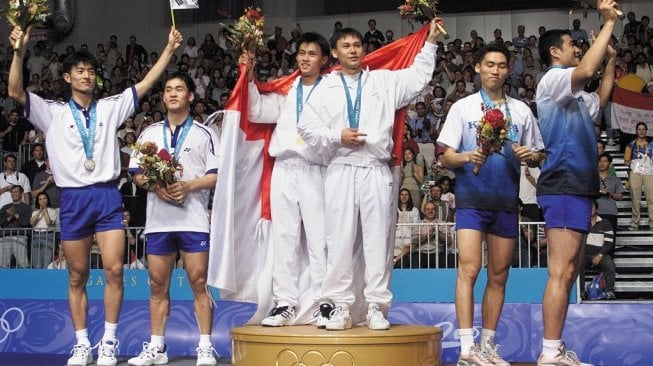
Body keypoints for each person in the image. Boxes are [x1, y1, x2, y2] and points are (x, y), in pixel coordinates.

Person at [8, 25, 183, 366]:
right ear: (69, 78)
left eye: (90, 71)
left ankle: (109, 342)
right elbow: (15, 91)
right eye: (80, 71)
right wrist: (18, 52)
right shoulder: (52, 111)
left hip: (106, 197)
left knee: (115, 270)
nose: (86, 75)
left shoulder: (110, 108)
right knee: (76, 275)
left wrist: (169, 50)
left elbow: (146, 84)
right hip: (72, 199)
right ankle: (81, 343)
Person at [298, 19, 442, 331]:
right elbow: (306, 128)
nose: (352, 50)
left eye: (357, 45)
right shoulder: (324, 88)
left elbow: (417, 77)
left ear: (364, 50)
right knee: (339, 241)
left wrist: (429, 42)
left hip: (376, 170)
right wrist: (338, 136)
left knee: (378, 240)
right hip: (340, 169)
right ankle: (339, 307)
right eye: (346, 46)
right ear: (334, 53)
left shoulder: (383, 81)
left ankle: (377, 305)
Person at [437, 43, 543, 366]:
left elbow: (538, 153)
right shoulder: (464, 108)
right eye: (489, 65)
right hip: (471, 200)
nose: (495, 70)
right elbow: (445, 157)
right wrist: (468, 156)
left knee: (499, 275)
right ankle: (467, 349)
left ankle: (487, 346)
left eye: (501, 65)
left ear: (508, 70)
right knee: (469, 269)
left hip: (505, 203)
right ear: (478, 69)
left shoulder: (522, 111)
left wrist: (530, 155)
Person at [535, 0, 618, 363]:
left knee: (569, 270)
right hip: (563, 183)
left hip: (580, 187)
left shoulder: (577, 98)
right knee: (560, 271)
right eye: (571, 44)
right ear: (555, 52)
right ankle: (549, 353)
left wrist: (611, 60)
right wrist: (608, 22)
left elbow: (600, 95)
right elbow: (586, 70)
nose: (577, 48)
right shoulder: (554, 79)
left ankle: (555, 349)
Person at [239, 32, 332, 328]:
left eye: (312, 53)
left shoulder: (332, 90)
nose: (305, 58)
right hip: (284, 168)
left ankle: (324, 302)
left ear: (324, 60)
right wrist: (248, 74)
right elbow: (255, 110)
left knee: (320, 238)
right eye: (301, 52)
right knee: (284, 238)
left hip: (316, 169)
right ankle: (284, 303)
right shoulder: (287, 90)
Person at [127, 72, 219, 366]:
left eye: (180, 89)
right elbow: (136, 174)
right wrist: (156, 187)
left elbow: (216, 175)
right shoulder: (149, 133)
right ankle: (157, 347)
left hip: (192, 219)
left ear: (191, 96)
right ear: (163, 96)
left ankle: (205, 346)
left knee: (198, 281)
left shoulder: (205, 134)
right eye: (168, 90)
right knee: (157, 284)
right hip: (159, 221)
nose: (173, 94)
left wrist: (188, 185)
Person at [580, 200, 616, 300]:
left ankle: (609, 291)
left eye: (592, 207)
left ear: (597, 209)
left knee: (609, 264)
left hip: (600, 253)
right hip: (584, 254)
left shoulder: (605, 223)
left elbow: (609, 242)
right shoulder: (581, 222)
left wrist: (600, 255)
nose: (590, 209)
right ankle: (581, 292)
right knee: (578, 264)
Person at [623, 122, 653, 231]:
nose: (641, 131)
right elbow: (626, 162)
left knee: (652, 199)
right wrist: (635, 163)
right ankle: (635, 223)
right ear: (636, 131)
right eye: (639, 129)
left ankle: (652, 222)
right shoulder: (630, 145)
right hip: (636, 173)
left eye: (643, 129)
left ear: (646, 131)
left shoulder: (651, 145)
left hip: (649, 173)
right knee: (635, 199)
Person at [0, 185, 33, 268]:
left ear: (21, 193)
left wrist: (15, 214)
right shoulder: (5, 207)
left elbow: (25, 222)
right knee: (3, 265)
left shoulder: (27, 207)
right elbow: (1, 222)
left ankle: (26, 280)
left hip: (20, 237)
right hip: (5, 238)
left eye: (16, 192)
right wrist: (10, 217)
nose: (13, 194)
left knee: (23, 264)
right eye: (12, 192)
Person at [30, 192, 58, 269]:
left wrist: (45, 210)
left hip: (48, 236)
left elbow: (49, 222)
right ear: (38, 201)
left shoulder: (52, 211)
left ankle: (46, 279)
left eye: (44, 198)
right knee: (36, 262)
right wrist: (39, 211)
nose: (42, 201)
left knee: (47, 261)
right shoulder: (35, 212)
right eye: (40, 199)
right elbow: (32, 222)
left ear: (47, 200)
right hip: (36, 236)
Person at [597, 152, 624, 231]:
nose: (602, 163)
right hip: (595, 212)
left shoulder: (615, 179)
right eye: (600, 161)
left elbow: (620, 197)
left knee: (611, 239)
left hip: (610, 212)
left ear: (610, 163)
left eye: (605, 161)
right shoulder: (592, 179)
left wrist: (611, 193)